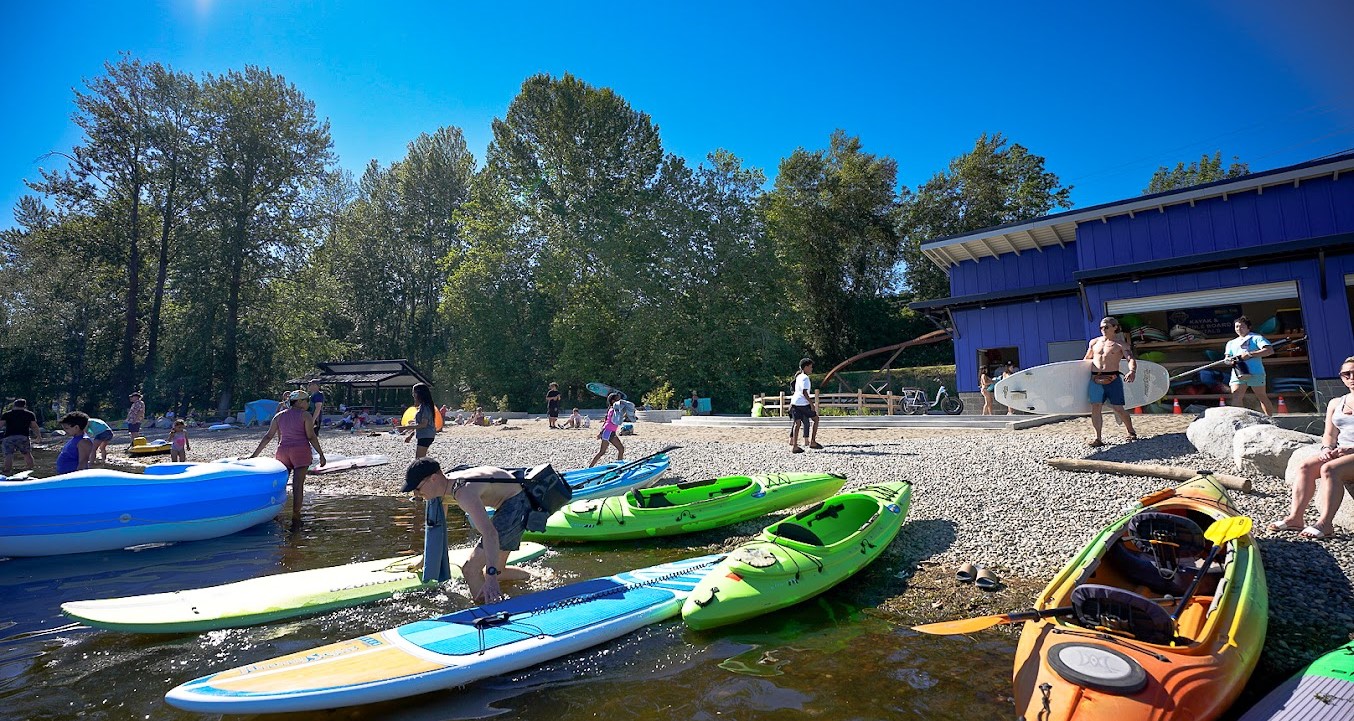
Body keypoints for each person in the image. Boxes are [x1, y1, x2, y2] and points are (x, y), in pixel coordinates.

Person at [401, 459, 534, 603]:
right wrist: (426, 560)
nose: (416, 494)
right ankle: (539, 578)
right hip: (511, 499)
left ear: (433, 478)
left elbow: (490, 533)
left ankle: (488, 610)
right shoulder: (442, 488)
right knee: (499, 571)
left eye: (417, 488)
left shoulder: (464, 493)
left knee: (471, 570)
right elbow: (437, 529)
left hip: (516, 505)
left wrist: (491, 578)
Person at [1271, 356, 1354, 539]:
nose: (1351, 377)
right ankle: (1295, 518)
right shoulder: (1336, 403)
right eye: (1346, 374)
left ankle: (1325, 523)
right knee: (1306, 466)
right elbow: (1330, 434)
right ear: (1341, 377)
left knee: (1329, 469)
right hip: (1341, 452)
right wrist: (1326, 449)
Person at [249, 390, 326, 520]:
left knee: (280, 485)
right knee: (298, 485)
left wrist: (253, 456)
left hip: (283, 452)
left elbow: (268, 436)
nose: (308, 404)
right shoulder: (305, 415)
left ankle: (274, 514)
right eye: (307, 401)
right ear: (300, 402)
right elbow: (311, 436)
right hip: (300, 451)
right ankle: (296, 516)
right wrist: (321, 455)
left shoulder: (279, 416)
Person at [1084, 316, 1138, 447]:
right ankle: (1098, 438)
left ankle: (1131, 431)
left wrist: (1132, 371)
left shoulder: (1121, 345)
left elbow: (1130, 358)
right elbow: (1086, 360)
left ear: (1115, 327)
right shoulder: (1094, 342)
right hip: (1095, 378)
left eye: (1106, 327)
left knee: (1118, 408)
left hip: (1113, 379)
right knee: (1096, 407)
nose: (1103, 329)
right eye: (1101, 327)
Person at [1225, 316, 1276, 415]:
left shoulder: (1257, 338)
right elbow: (1227, 357)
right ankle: (1240, 419)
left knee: (1261, 396)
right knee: (1236, 396)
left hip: (1255, 372)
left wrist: (1250, 354)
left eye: (1242, 326)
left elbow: (1269, 350)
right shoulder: (1231, 343)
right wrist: (1229, 360)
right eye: (1236, 327)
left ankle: (1270, 418)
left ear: (1249, 327)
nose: (1239, 329)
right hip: (1238, 372)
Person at [789, 357, 822, 453]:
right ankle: (813, 441)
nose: (811, 369)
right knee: (816, 419)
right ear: (806, 367)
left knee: (797, 423)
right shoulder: (805, 378)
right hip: (803, 403)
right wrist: (811, 404)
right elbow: (804, 392)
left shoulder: (798, 376)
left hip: (795, 402)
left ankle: (795, 446)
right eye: (810, 367)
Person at [2, 398, 40, 474]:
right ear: (24, 406)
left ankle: (7, 471)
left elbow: (0, 425)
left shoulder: (7, 414)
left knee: (8, 454)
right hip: (23, 436)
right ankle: (30, 469)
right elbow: (34, 426)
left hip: (9, 437)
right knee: (27, 453)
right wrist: (38, 436)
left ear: (14, 405)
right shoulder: (29, 414)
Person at [589, 392, 626, 466]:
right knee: (602, 452)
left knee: (621, 449)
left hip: (611, 432)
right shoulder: (613, 410)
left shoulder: (613, 409)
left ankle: (620, 465)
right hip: (608, 432)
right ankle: (590, 467)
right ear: (613, 401)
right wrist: (601, 433)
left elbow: (607, 421)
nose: (619, 401)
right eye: (618, 400)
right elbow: (614, 420)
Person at [403, 382, 438, 458]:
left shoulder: (425, 406)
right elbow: (420, 423)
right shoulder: (424, 406)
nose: (413, 395)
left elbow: (423, 424)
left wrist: (404, 427)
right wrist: (411, 435)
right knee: (420, 459)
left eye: (414, 393)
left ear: (419, 393)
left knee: (419, 459)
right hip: (424, 435)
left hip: (426, 436)